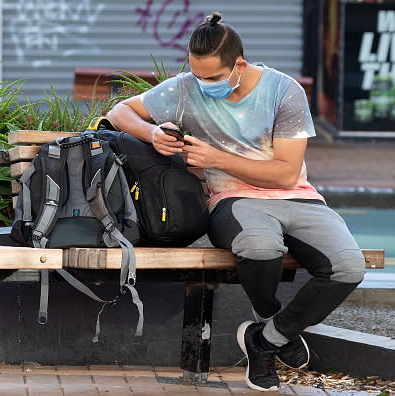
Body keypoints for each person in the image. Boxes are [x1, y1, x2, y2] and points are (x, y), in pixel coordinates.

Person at [107, 12, 366, 392]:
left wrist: (216, 159)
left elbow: (284, 175)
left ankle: (266, 340)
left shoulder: (284, 91)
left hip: (297, 197)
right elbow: (119, 112)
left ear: (239, 65)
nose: (202, 84)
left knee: (348, 267)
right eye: (196, 75)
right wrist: (152, 132)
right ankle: (272, 321)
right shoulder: (184, 88)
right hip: (233, 200)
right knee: (260, 247)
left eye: (212, 77)